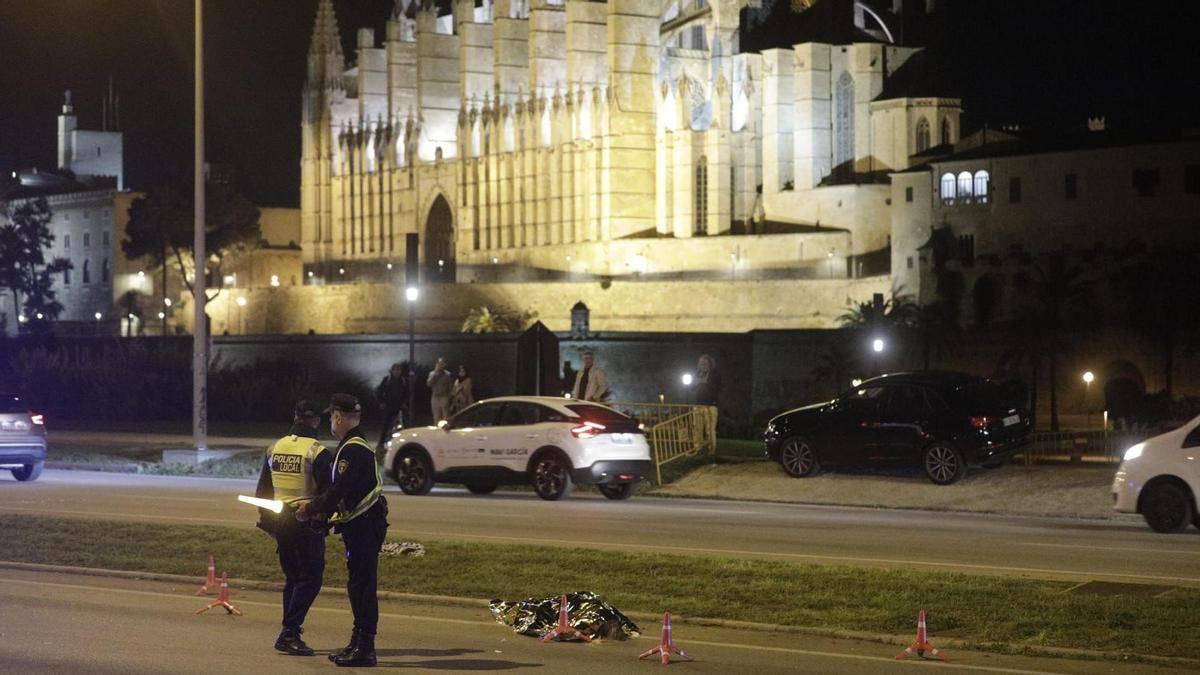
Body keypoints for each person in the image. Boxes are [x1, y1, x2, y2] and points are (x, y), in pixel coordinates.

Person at [298, 394, 389, 668]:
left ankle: (366, 648)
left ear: (338, 416)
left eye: (331, 416)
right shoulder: (353, 446)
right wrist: (322, 514)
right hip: (361, 525)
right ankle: (358, 641)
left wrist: (312, 507)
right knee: (358, 585)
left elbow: (338, 491)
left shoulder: (352, 450)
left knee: (362, 586)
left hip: (365, 526)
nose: (330, 421)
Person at [254, 400, 332, 657]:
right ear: (316, 421)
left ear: (295, 417)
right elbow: (327, 493)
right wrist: (324, 519)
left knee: (293, 578)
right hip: (305, 520)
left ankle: (291, 632)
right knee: (311, 577)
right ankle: (289, 631)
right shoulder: (317, 451)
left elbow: (262, 492)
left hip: (281, 521)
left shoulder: (274, 447)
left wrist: (267, 523)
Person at [374, 362, 410, 449]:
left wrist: (404, 403)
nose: (397, 372)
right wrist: (381, 402)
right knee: (385, 426)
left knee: (403, 426)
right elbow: (379, 392)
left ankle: (403, 443)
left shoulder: (404, 381)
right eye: (396, 370)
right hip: (388, 407)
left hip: (399, 407)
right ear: (392, 371)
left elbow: (407, 393)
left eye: (399, 370)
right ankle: (381, 443)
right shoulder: (387, 380)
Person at [426, 357, 454, 423]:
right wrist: (436, 374)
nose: (441, 365)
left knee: (446, 417)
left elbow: (451, 387)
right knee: (436, 417)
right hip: (435, 398)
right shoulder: (432, 373)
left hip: (444, 397)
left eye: (442, 364)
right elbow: (429, 384)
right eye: (439, 363)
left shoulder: (448, 374)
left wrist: (449, 397)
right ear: (437, 364)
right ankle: (437, 431)